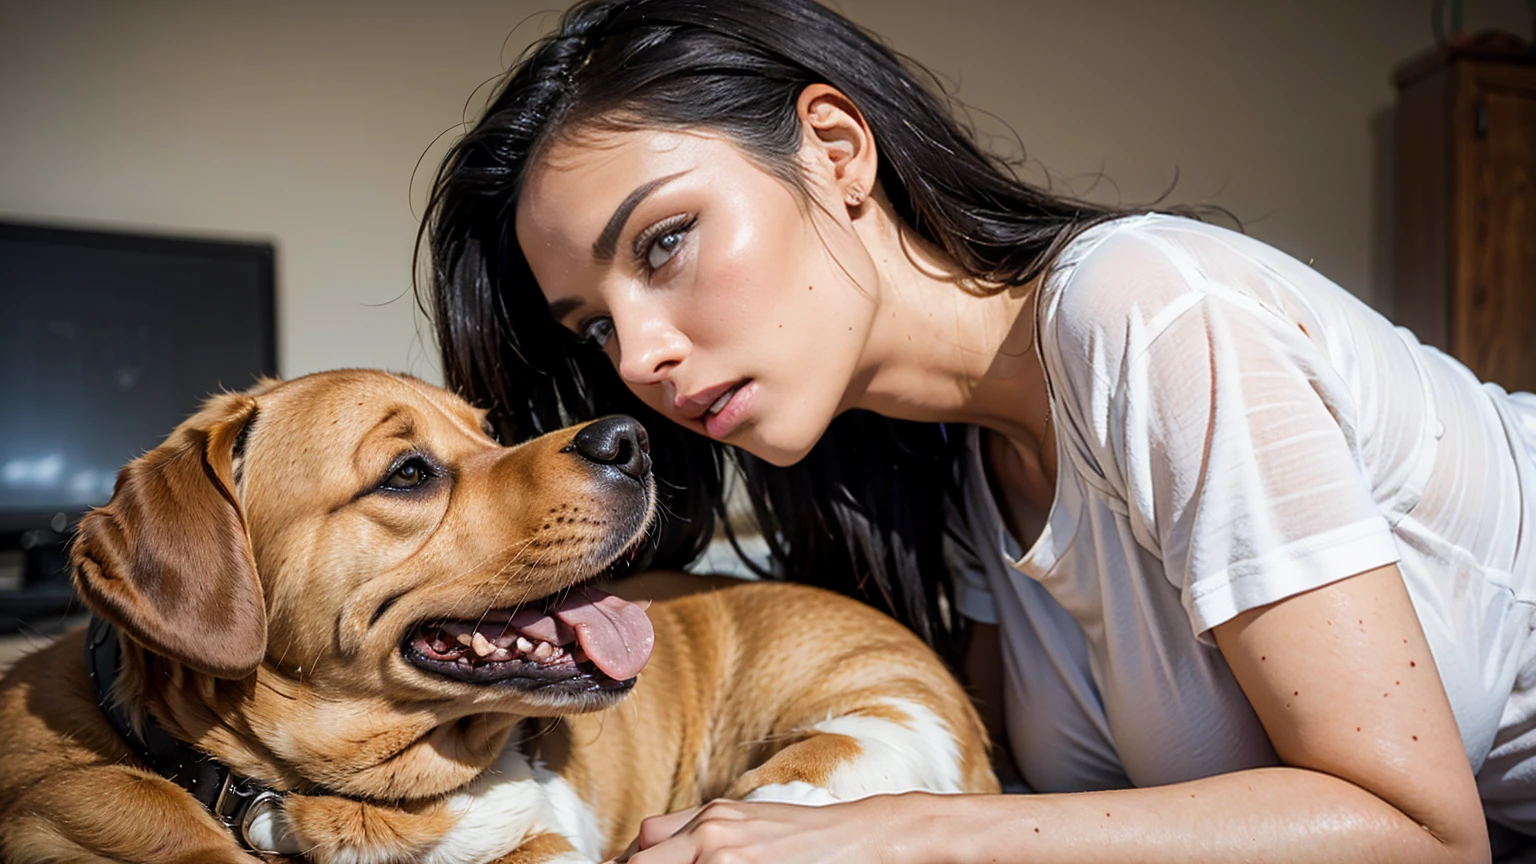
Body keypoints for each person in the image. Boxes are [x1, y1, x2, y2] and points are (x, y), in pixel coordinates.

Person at [415, 1, 1536, 860]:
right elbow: (1029, 803)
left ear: (835, 148)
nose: (641, 357)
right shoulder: (957, 466)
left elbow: (1421, 832)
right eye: (597, 325)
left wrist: (914, 828)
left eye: (664, 244)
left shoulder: (1148, 313)